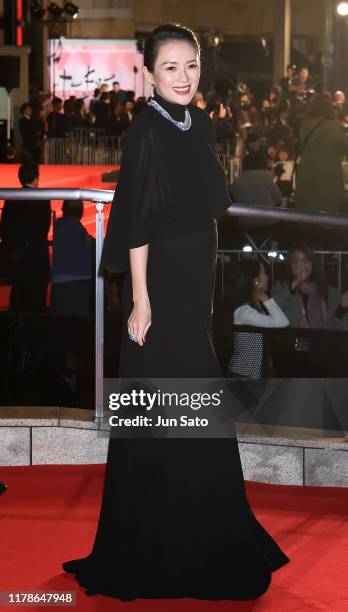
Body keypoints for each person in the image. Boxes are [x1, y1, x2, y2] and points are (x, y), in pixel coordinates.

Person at [62, 23, 289, 601]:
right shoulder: (145, 130)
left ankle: (194, 534)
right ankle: (160, 543)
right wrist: (141, 300)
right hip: (159, 293)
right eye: (170, 67)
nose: (184, 77)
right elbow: (134, 219)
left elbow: (212, 201)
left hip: (192, 293)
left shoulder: (198, 122)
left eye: (191, 66)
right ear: (149, 74)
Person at [0, 162, 51, 312]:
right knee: (36, 299)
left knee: (18, 296)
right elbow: (43, 228)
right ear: (36, 178)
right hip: (36, 257)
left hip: (17, 256)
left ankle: (13, 331)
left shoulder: (12, 199)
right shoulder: (42, 199)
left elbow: (4, 228)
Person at [226, 258, 289, 379]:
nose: (267, 277)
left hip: (252, 377)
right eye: (264, 273)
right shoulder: (244, 312)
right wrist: (265, 297)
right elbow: (282, 323)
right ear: (256, 281)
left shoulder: (255, 307)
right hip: (244, 378)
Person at [272, 242, 348, 329]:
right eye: (295, 261)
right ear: (290, 266)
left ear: (312, 263)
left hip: (320, 341)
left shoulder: (328, 291)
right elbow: (271, 308)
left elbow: (334, 326)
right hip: (292, 341)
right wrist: (295, 283)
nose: (301, 265)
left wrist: (341, 309)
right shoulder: (283, 286)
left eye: (305, 260)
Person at [295, 93, 348, 214]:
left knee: (308, 214)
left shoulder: (304, 123)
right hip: (327, 177)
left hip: (306, 173)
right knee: (327, 216)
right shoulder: (334, 126)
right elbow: (345, 148)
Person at [50, 200, 95, 318]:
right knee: (77, 326)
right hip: (75, 283)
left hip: (66, 283)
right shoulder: (69, 228)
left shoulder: (63, 227)